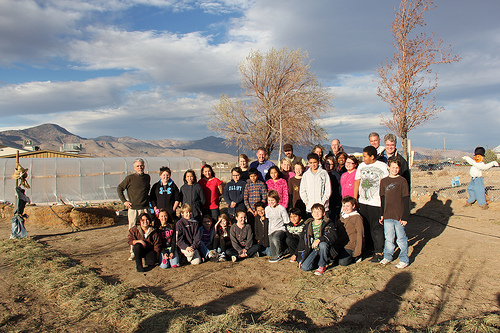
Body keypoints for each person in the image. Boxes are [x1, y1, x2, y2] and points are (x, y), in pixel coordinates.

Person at [354, 146, 389, 263]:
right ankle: (369, 249)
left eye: (365, 156)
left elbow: (386, 184)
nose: (363, 158)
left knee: (376, 227)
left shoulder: (382, 167)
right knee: (367, 227)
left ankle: (379, 251)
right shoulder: (361, 166)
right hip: (363, 202)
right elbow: (357, 182)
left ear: (372, 156)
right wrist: (355, 199)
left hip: (376, 203)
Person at [379, 156, 411, 269]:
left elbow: (406, 199)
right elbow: (382, 199)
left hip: (399, 216)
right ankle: (387, 256)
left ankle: (404, 259)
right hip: (388, 215)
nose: (395, 170)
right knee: (389, 238)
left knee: (401, 238)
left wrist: (405, 216)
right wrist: (382, 214)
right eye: (393, 167)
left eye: (397, 168)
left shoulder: (402, 181)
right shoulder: (384, 181)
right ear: (388, 167)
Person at [117, 158, 151, 261]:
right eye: (138, 166)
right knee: (133, 229)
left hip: (144, 208)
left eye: (141, 166)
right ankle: (133, 251)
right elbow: (119, 188)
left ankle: (146, 249)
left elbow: (146, 190)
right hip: (133, 209)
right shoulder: (130, 178)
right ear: (134, 167)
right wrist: (124, 201)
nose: (140, 167)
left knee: (147, 228)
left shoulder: (147, 177)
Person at [297, 203, 337, 276]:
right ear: (311, 213)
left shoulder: (328, 223)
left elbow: (333, 236)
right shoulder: (307, 225)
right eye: (314, 212)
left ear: (324, 213)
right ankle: (319, 262)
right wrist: (301, 259)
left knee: (322, 244)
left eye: (319, 211)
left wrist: (319, 240)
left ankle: (322, 265)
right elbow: (302, 242)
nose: (317, 213)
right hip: (313, 249)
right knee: (305, 268)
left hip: (325, 247)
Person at [336, 196, 364, 266]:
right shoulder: (342, 216)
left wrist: (357, 251)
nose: (345, 208)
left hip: (351, 245)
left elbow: (360, 234)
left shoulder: (357, 217)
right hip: (341, 243)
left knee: (343, 263)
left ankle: (356, 257)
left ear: (353, 206)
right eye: (344, 206)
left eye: (348, 206)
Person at [265, 190, 289, 262]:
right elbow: (268, 220)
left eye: (273, 200)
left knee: (276, 238)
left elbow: (286, 221)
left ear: (276, 199)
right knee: (271, 253)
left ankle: (279, 254)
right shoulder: (267, 209)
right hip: (271, 230)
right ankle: (284, 251)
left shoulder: (281, 209)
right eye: (269, 200)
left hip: (280, 229)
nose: (271, 202)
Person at [325, 156, 341, 222]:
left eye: (330, 164)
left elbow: (338, 189)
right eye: (326, 164)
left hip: (333, 200)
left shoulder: (336, 175)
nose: (328, 166)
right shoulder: (323, 173)